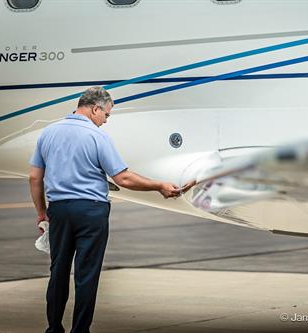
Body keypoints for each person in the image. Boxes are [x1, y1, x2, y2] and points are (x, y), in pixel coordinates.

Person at [29, 87, 192, 333]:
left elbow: (34, 178)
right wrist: (158, 185)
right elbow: (123, 178)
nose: (105, 121)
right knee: (86, 274)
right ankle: (80, 330)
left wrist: (42, 213)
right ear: (95, 108)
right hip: (91, 212)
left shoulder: (48, 133)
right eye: (106, 114)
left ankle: (53, 328)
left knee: (58, 271)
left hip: (59, 210)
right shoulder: (97, 137)